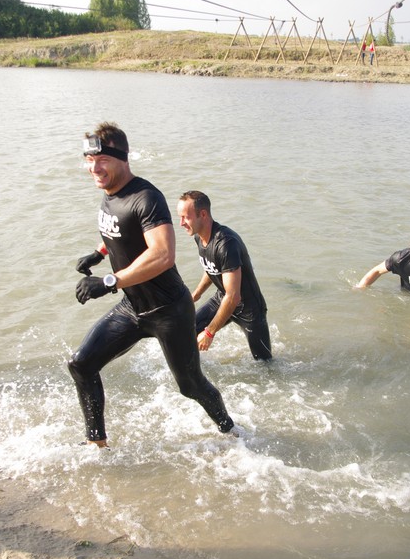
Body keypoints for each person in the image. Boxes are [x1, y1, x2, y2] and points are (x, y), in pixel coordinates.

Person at [68, 123, 238, 447]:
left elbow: (162, 254)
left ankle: (231, 431)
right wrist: (98, 253)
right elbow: (124, 231)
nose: (94, 168)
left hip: (169, 311)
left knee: (190, 385)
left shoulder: (146, 197)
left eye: (102, 160)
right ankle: (96, 445)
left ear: (123, 158)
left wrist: (110, 281)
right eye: (89, 160)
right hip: (132, 307)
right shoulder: (110, 195)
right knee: (81, 364)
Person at [177, 191, 272, 361]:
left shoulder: (226, 243)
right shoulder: (199, 237)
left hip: (249, 310)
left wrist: (209, 333)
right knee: (185, 334)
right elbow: (212, 267)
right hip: (222, 298)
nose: (181, 223)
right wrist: (195, 295)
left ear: (203, 214)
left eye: (185, 217)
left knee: (265, 364)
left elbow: (234, 297)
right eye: (180, 218)